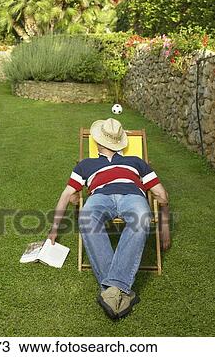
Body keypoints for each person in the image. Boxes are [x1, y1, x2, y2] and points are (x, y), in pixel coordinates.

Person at [48, 118, 170, 320]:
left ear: (97, 141)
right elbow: (163, 196)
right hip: (100, 197)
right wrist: (54, 229)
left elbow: (162, 195)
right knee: (88, 217)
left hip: (132, 197)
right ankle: (120, 291)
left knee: (140, 217)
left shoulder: (136, 162)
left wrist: (163, 227)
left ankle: (110, 291)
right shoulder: (85, 165)